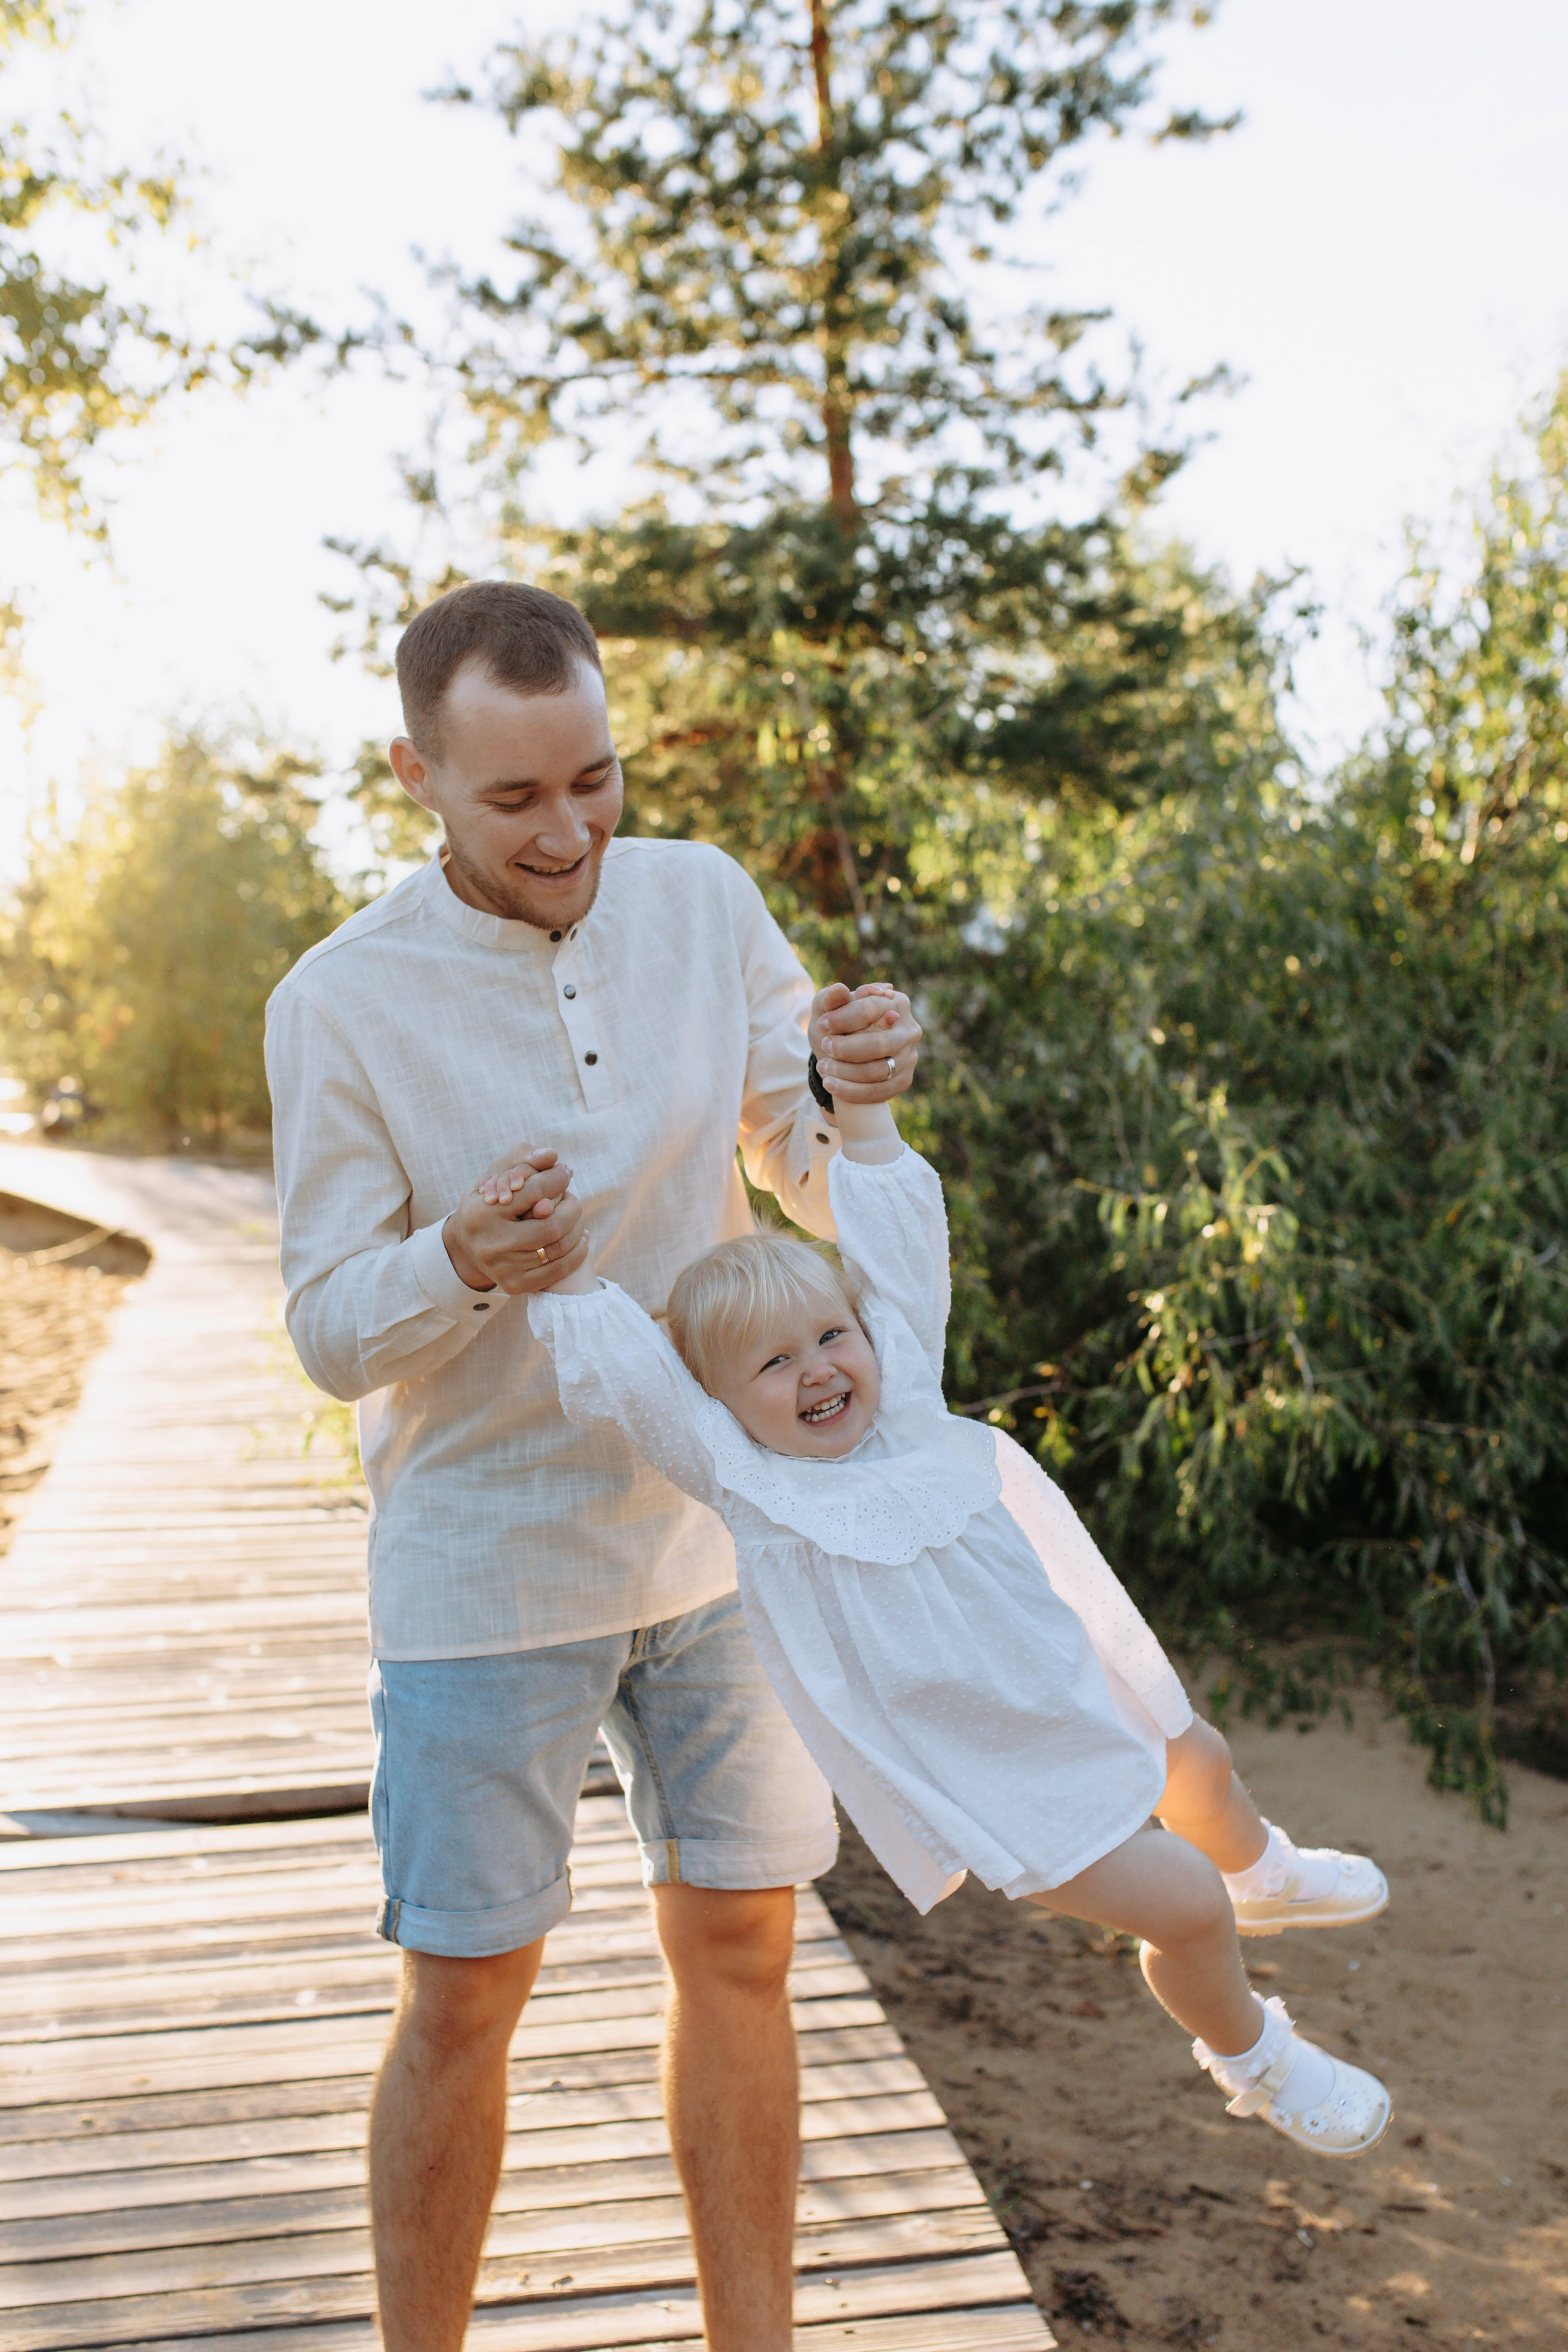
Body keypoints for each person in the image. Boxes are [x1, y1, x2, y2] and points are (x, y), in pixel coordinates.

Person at [264, 579, 922, 2352]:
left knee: (746, 1957)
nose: (570, 833)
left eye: (597, 783)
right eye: (517, 799)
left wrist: (856, 1094)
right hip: (488, 1560)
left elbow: (801, 1156)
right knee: (469, 1997)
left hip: (720, 1535)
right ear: (417, 771)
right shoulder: (339, 1005)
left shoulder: (704, 902)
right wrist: (460, 1259)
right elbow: (329, 1330)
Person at [510, 1033, 1394, 2160]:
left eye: (831, 1337)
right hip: (1002, 1770)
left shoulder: (909, 1403)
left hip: (1077, 1680)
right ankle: (1257, 2057)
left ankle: (1262, 1866)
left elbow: (897, 1250)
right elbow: (639, 1383)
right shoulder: (752, 1483)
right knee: (1183, 1907)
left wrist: (866, 1124)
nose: (821, 1370)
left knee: (1201, 1763)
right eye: (774, 1366)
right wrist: (563, 1276)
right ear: (722, 1408)